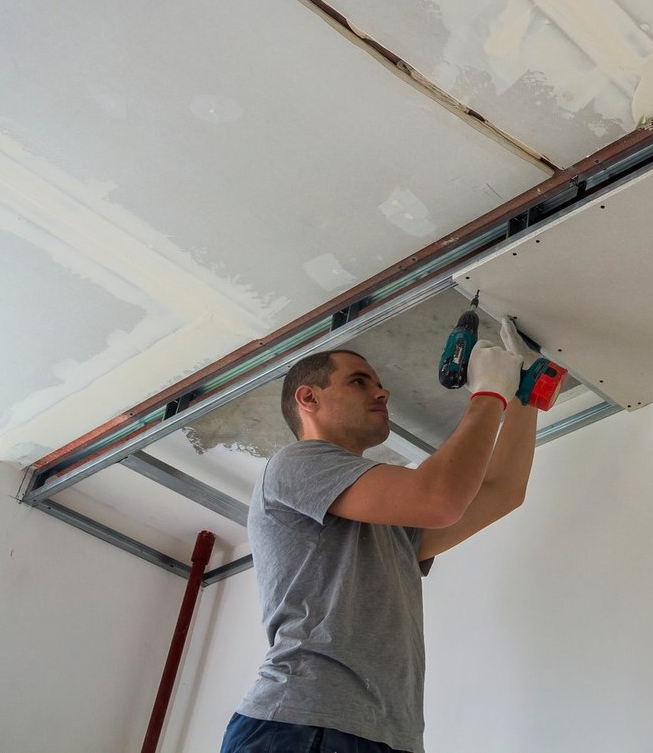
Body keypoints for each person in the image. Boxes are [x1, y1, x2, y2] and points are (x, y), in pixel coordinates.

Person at [220, 322, 537, 753]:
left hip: (386, 734)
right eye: (358, 381)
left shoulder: (390, 521)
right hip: (303, 720)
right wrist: (489, 394)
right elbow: (439, 499)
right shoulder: (294, 464)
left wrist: (523, 394)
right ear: (308, 399)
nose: (382, 392)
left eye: (377, 383)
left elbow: (501, 493)